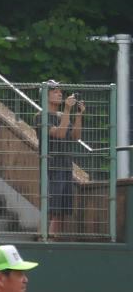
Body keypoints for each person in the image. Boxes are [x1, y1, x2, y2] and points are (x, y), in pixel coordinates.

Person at [45, 83, 83, 239]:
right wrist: (67, 109)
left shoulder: (62, 115)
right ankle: (48, 237)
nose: (59, 93)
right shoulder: (41, 116)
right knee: (53, 206)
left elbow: (75, 137)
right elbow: (59, 134)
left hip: (66, 164)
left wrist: (79, 114)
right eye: (54, 91)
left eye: (60, 91)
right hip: (52, 165)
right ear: (45, 96)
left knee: (62, 207)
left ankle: (54, 236)